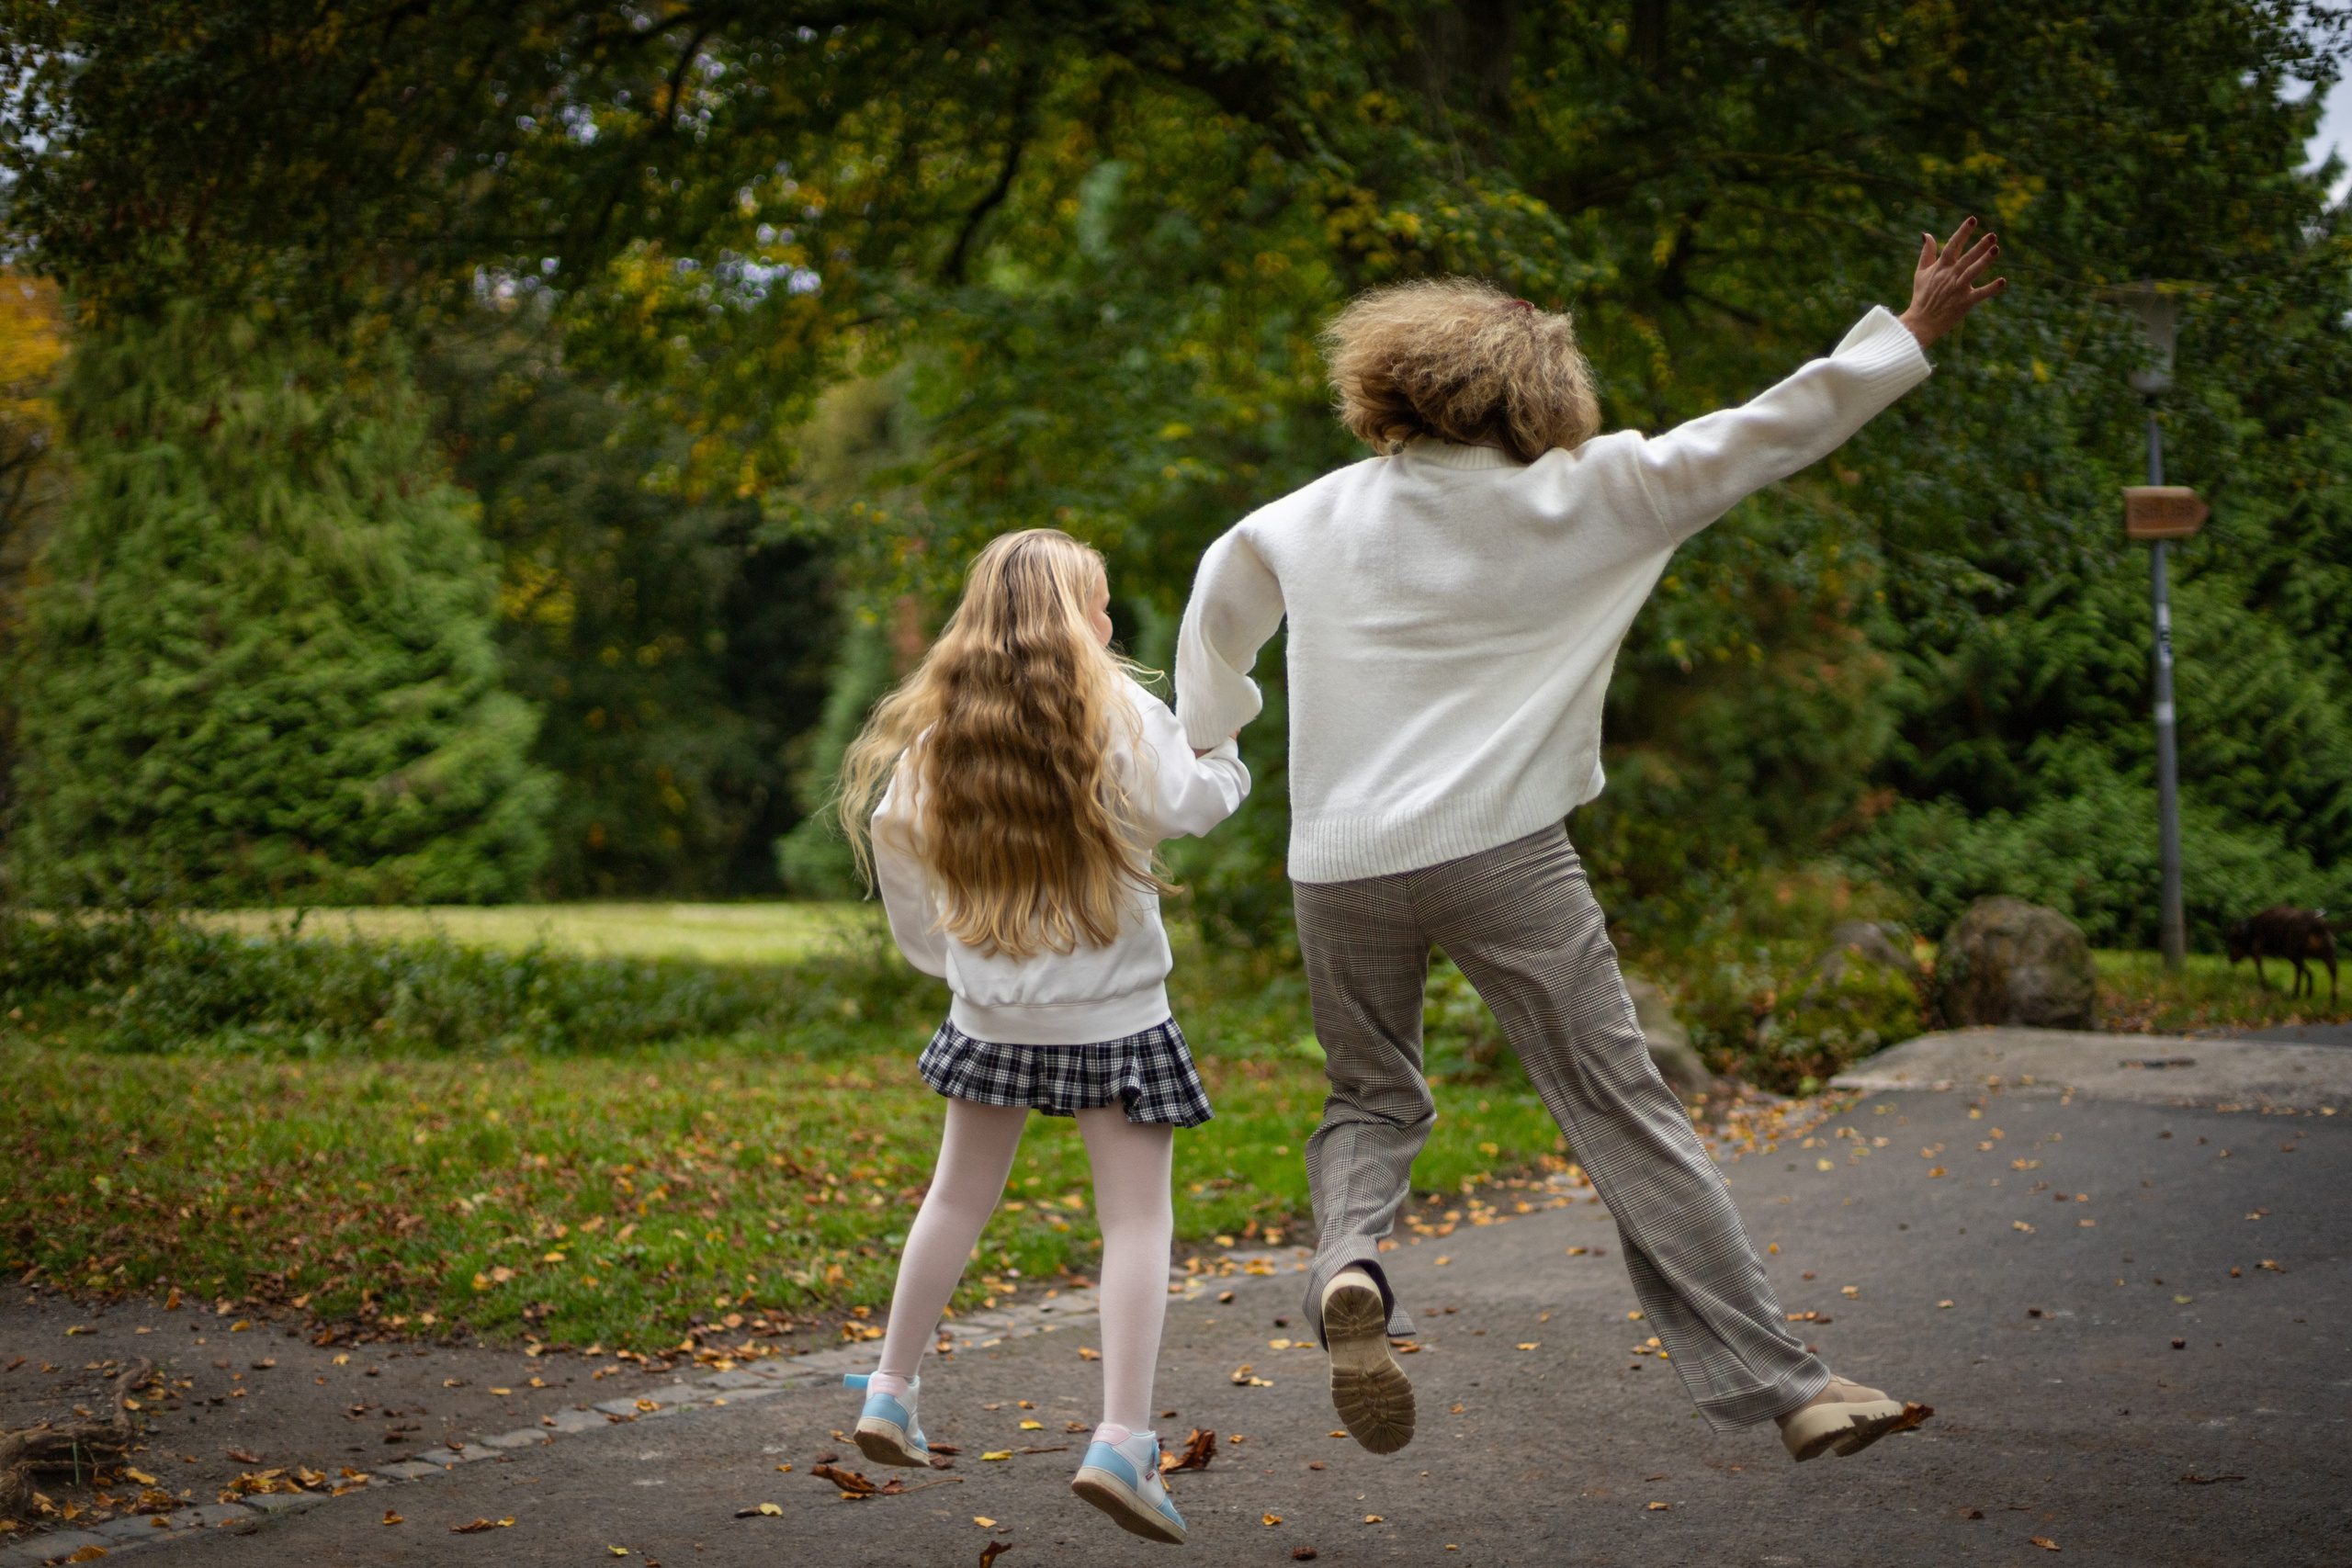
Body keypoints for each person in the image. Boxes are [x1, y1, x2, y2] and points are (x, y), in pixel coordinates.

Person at [1172, 221, 2005, 1463]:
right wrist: (1907, 337)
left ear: (1390, 382)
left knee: (1369, 1093)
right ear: (1539, 394)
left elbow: (1216, 599)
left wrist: (1212, 732)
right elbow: (1768, 429)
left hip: (1336, 866)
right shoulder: (1596, 490)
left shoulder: (1306, 516)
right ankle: (1791, 1384)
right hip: (1503, 851)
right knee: (1623, 1109)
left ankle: (1349, 1262)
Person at [834, 526, 1249, 1543]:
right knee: (1135, 1223)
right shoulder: (1122, 714)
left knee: (955, 1198)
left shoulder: (939, 740)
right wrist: (1226, 755)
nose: (1109, 623)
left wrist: (954, 966)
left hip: (991, 1015)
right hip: (1117, 1017)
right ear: (1077, 620)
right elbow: (1189, 806)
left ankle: (889, 1388)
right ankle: (1119, 1441)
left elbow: (901, 866)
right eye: (1099, 605)